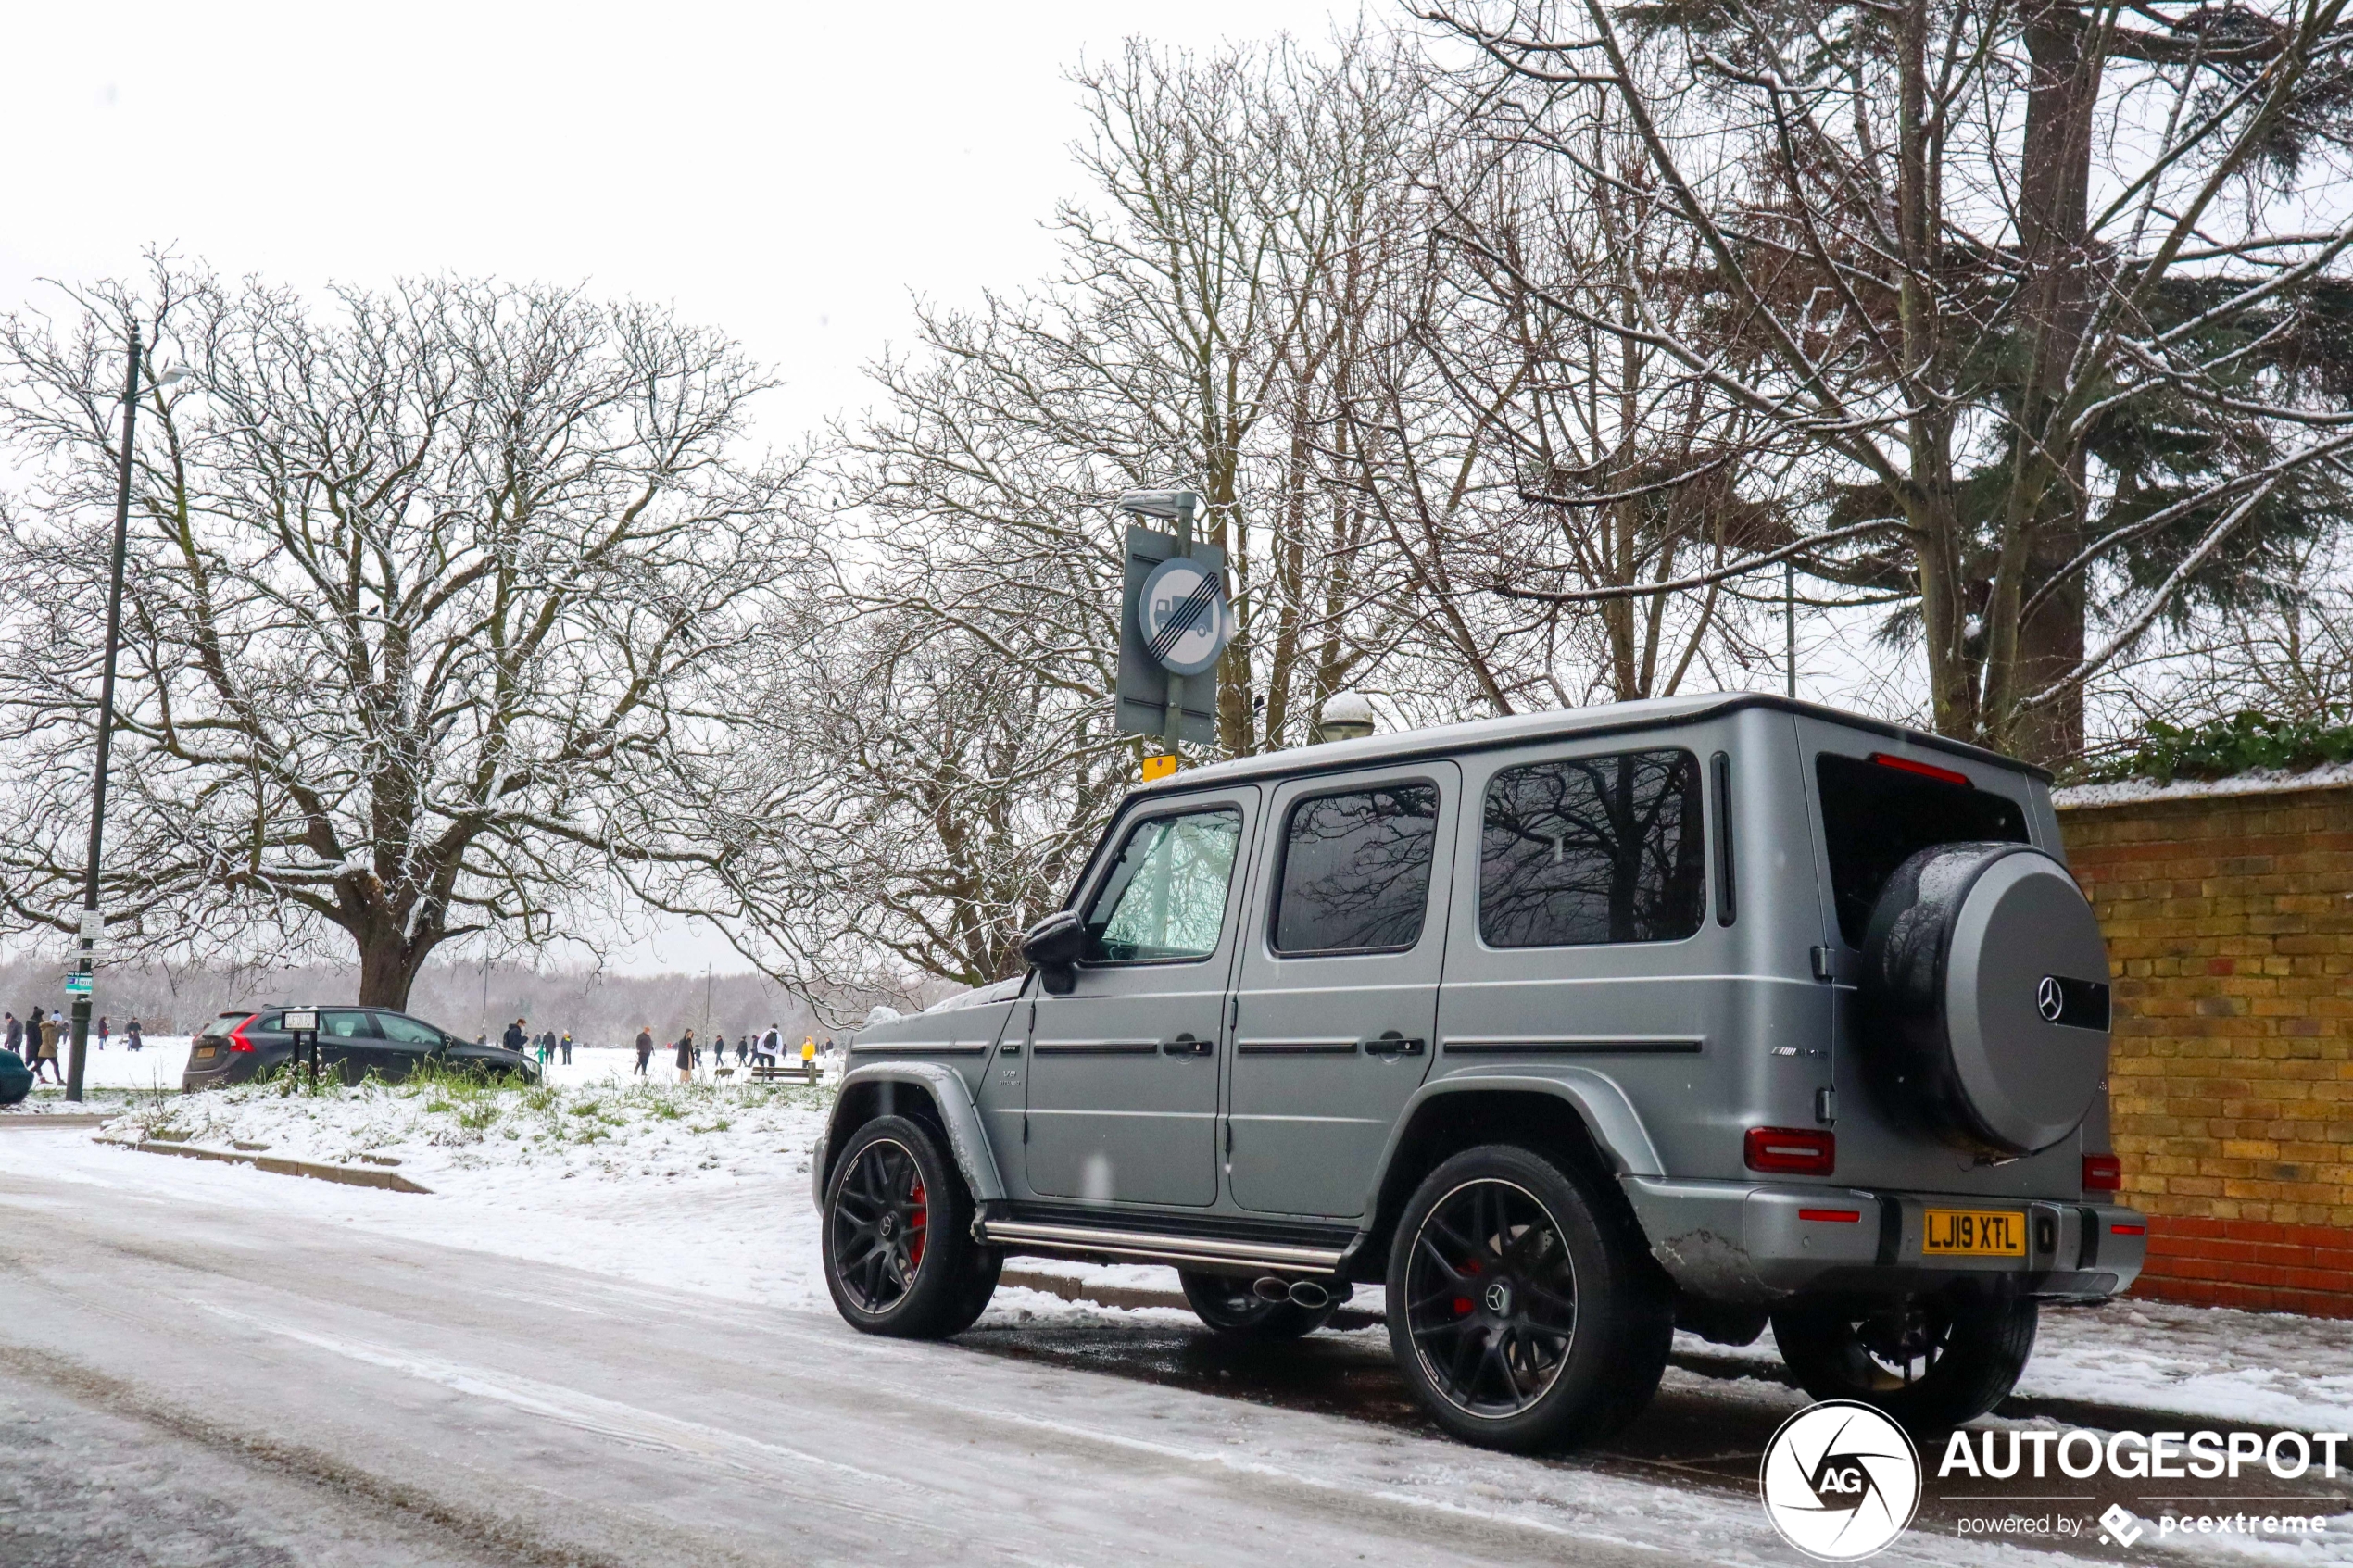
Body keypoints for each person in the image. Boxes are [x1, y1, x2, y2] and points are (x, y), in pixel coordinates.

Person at [35, 1012, 62, 1084]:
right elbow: (52, 1041)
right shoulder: (52, 1029)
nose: (59, 1023)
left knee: (37, 1066)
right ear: (56, 1021)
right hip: (50, 1051)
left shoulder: (45, 1027)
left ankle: (26, 1074)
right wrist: (55, 1048)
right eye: (59, 1021)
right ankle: (59, 1080)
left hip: (43, 1049)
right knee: (56, 1065)